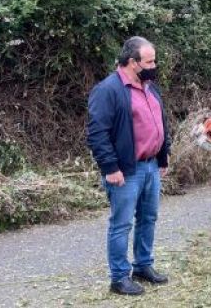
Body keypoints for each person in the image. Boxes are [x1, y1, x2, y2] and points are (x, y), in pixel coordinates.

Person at [86, 36, 170, 296]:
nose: (154, 65)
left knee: (148, 218)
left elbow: (160, 123)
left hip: (150, 166)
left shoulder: (149, 86)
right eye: (149, 61)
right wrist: (111, 168)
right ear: (133, 62)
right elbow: (97, 134)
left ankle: (143, 265)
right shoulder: (108, 90)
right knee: (121, 224)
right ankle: (119, 278)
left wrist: (162, 158)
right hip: (126, 171)